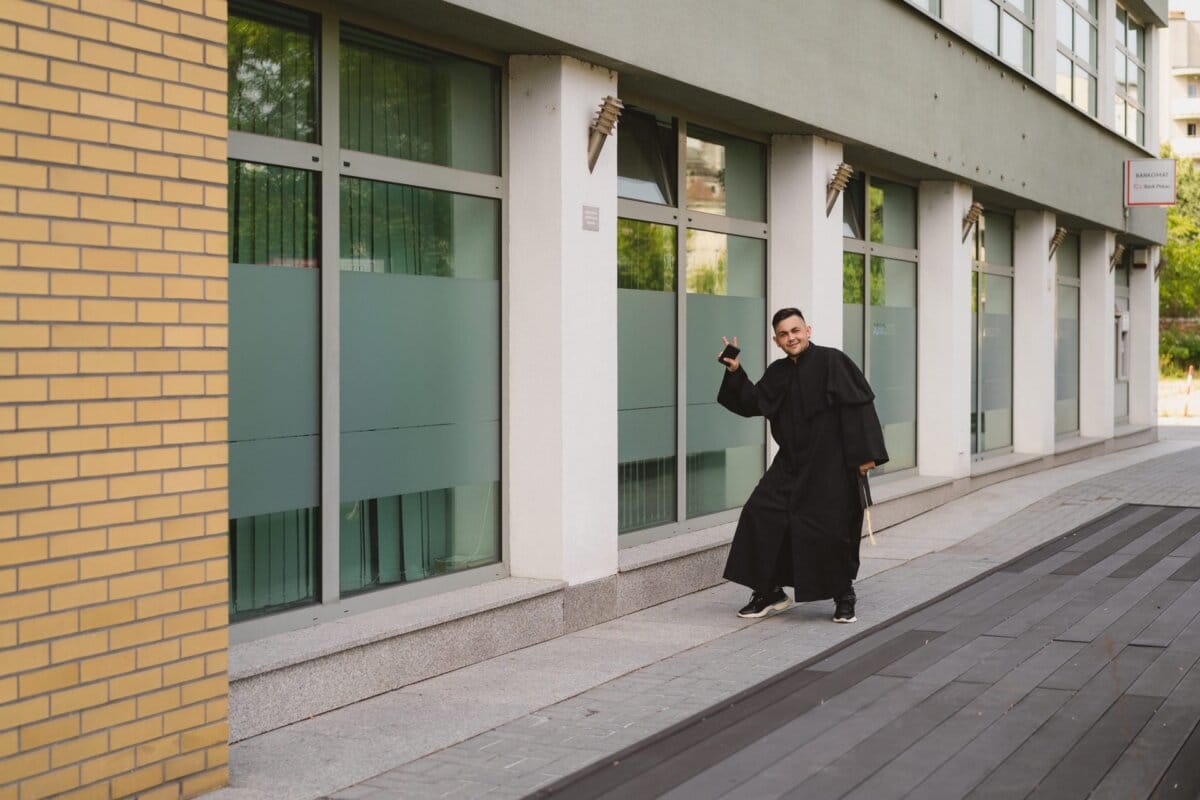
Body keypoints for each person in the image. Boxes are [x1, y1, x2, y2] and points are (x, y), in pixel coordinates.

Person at [717, 307, 888, 623]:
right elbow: (754, 402)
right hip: (791, 462)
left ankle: (843, 595)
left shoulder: (833, 362)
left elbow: (860, 407)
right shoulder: (778, 371)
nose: (791, 337)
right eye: (783, 334)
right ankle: (769, 591)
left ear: (808, 330)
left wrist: (866, 455)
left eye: (795, 330)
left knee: (831, 529)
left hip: (831, 463)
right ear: (776, 340)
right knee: (760, 513)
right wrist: (735, 371)